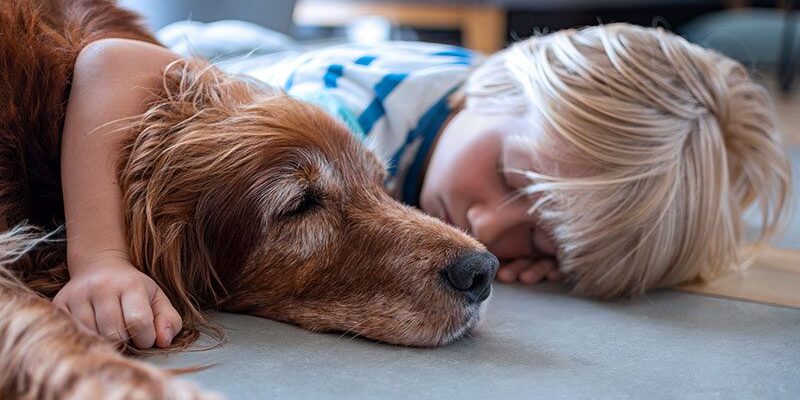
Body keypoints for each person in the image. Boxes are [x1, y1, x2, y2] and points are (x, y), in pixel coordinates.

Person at [56, 22, 791, 349]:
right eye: (507, 176)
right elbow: (109, 65)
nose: (483, 226)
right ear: (488, 82)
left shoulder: (501, 114)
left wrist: (577, 258)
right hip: (220, 51)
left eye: (539, 239)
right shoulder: (338, 108)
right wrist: (102, 261)